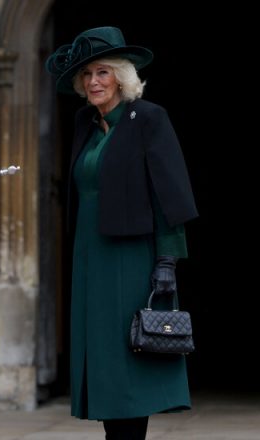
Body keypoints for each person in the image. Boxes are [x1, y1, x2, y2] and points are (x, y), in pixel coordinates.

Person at [45, 27, 198, 440]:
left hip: (133, 258)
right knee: (105, 363)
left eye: (103, 73)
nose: (94, 82)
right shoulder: (84, 123)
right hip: (90, 256)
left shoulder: (148, 118)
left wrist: (167, 260)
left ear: (121, 77)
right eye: (87, 75)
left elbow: (170, 194)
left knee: (132, 362)